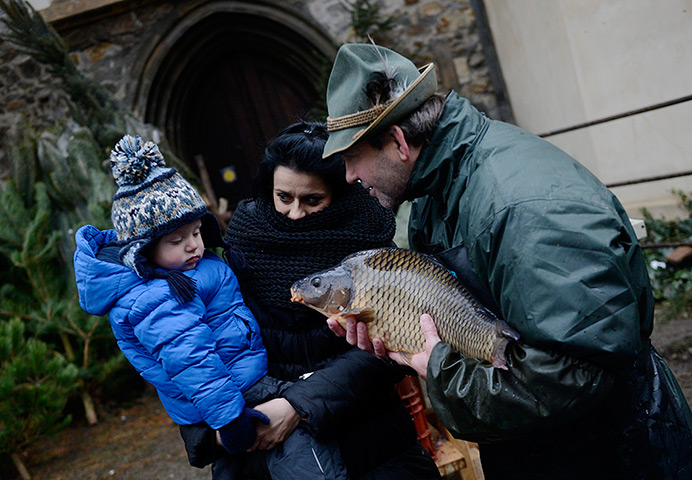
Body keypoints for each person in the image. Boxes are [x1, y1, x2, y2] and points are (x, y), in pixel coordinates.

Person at [322, 43, 692, 479]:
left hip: (619, 452)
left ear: (399, 142)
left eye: (351, 158)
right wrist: (402, 340)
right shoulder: (435, 192)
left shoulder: (521, 208)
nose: (348, 177)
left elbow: (576, 371)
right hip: (539, 447)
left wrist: (440, 370)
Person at [73, 134, 349, 479]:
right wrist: (229, 419)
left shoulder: (194, 267)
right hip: (231, 397)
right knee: (308, 456)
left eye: (196, 232)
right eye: (177, 240)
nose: (193, 246)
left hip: (236, 386)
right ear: (143, 251)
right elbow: (189, 358)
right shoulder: (155, 296)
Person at [181, 121, 442, 479]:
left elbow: (389, 351)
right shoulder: (242, 246)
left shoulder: (372, 249)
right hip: (269, 450)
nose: (294, 213)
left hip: (370, 446)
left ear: (338, 194)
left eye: (312, 200)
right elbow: (192, 346)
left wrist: (297, 405)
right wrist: (220, 430)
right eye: (283, 197)